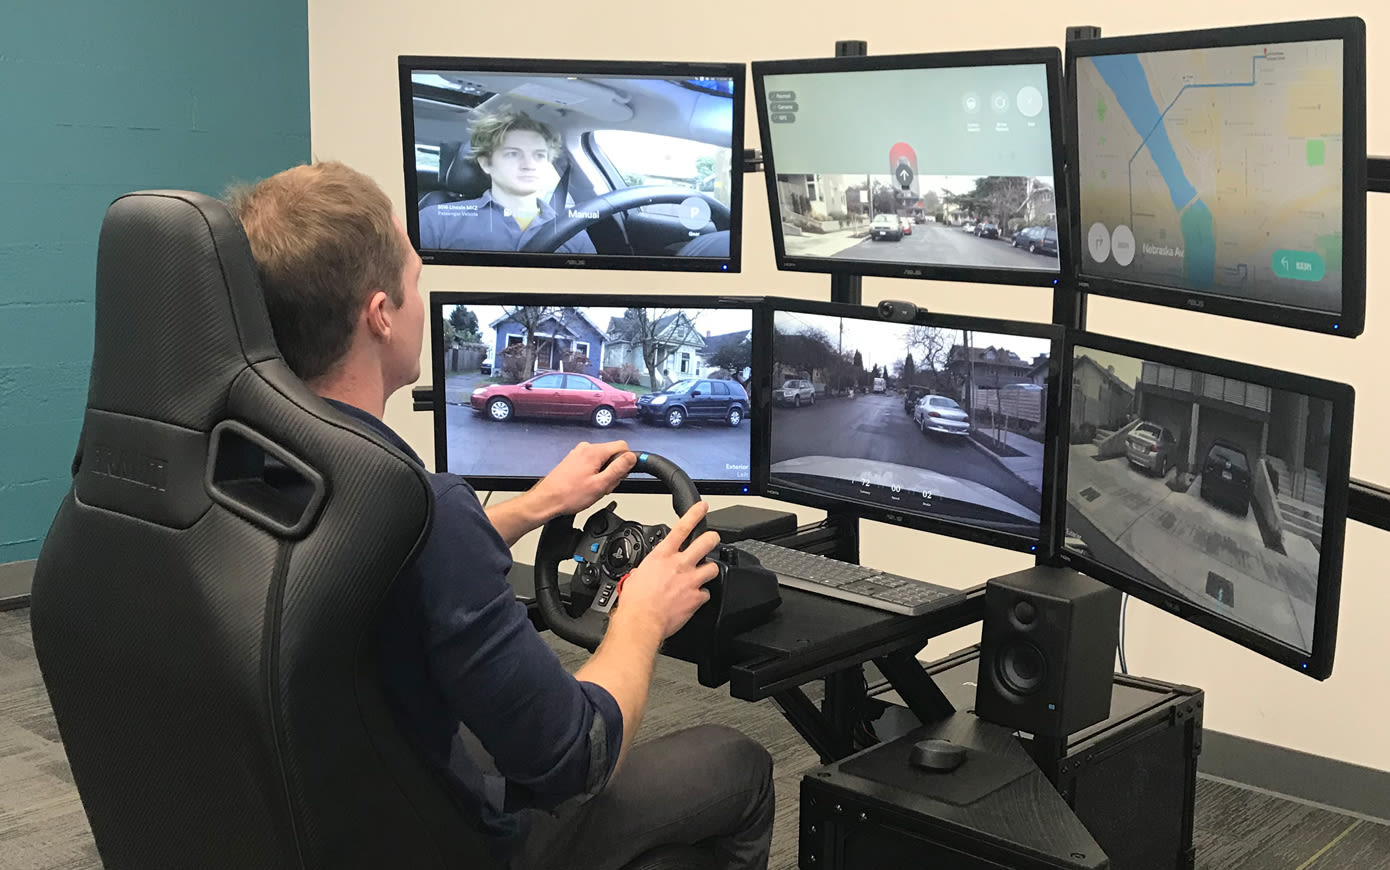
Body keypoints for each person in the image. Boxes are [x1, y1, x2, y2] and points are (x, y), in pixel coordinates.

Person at [228, 161, 773, 870]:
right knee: (740, 763)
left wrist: (538, 505)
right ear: (381, 314)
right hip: (459, 847)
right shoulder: (424, 510)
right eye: (416, 278)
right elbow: (577, 757)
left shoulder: (237, 468)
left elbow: (378, 562)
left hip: (325, 816)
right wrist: (641, 614)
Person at [419, 111, 597, 255]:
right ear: (486, 163)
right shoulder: (435, 222)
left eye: (539, 155)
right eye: (513, 154)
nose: (529, 165)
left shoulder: (573, 232)